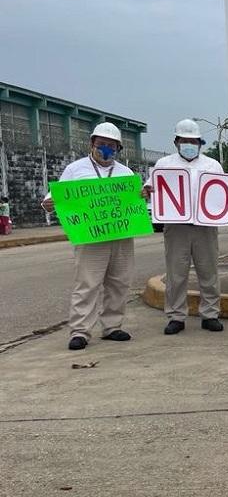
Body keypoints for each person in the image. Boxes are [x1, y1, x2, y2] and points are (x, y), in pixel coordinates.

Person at [41, 122, 138, 351]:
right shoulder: (76, 169)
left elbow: (135, 202)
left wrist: (141, 194)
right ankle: (80, 331)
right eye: (101, 144)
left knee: (119, 282)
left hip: (121, 235)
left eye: (111, 146)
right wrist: (48, 204)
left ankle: (112, 326)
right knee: (87, 284)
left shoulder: (126, 173)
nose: (106, 149)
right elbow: (53, 199)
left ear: (118, 148)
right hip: (90, 237)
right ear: (92, 144)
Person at [142, 119, 225, 335]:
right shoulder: (163, 165)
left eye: (194, 141)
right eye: (185, 140)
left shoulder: (212, 165)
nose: (189, 144)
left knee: (209, 272)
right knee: (176, 273)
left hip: (205, 226)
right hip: (176, 227)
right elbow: (150, 188)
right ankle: (176, 316)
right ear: (176, 141)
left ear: (200, 142)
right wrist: (146, 191)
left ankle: (210, 314)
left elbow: (220, 193)